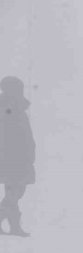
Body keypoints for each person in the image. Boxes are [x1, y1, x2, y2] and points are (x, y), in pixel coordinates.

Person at [0, 76, 35, 237]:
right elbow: (10, 135)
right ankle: (12, 225)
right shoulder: (8, 107)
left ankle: (14, 227)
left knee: (13, 192)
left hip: (19, 158)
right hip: (14, 159)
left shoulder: (14, 107)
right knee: (15, 192)